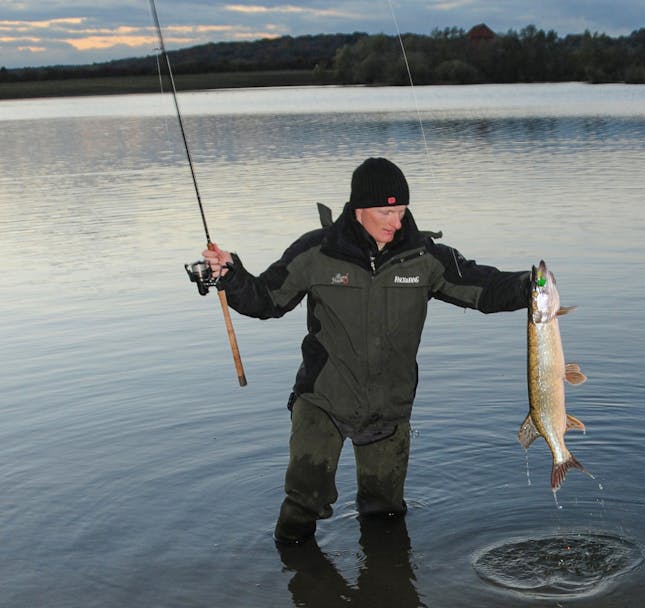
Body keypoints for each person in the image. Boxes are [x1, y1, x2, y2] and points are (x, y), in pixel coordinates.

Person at [201, 157, 530, 545]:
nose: (396, 221)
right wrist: (231, 275)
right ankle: (294, 570)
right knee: (304, 501)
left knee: (385, 515)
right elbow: (266, 300)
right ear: (359, 210)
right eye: (385, 211)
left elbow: (484, 289)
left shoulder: (424, 256)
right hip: (323, 400)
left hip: (389, 408)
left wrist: (532, 286)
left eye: (401, 209)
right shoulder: (317, 252)